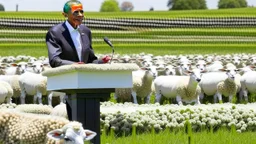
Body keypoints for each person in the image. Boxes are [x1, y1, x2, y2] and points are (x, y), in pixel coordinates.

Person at [45, 0, 110, 120]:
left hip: (88, 83)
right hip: (71, 82)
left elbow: (90, 60)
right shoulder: (55, 33)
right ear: (65, 15)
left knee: (90, 119)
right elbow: (54, 60)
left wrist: (101, 61)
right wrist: (74, 65)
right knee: (76, 120)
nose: (80, 15)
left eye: (82, 11)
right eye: (76, 12)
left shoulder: (86, 31)